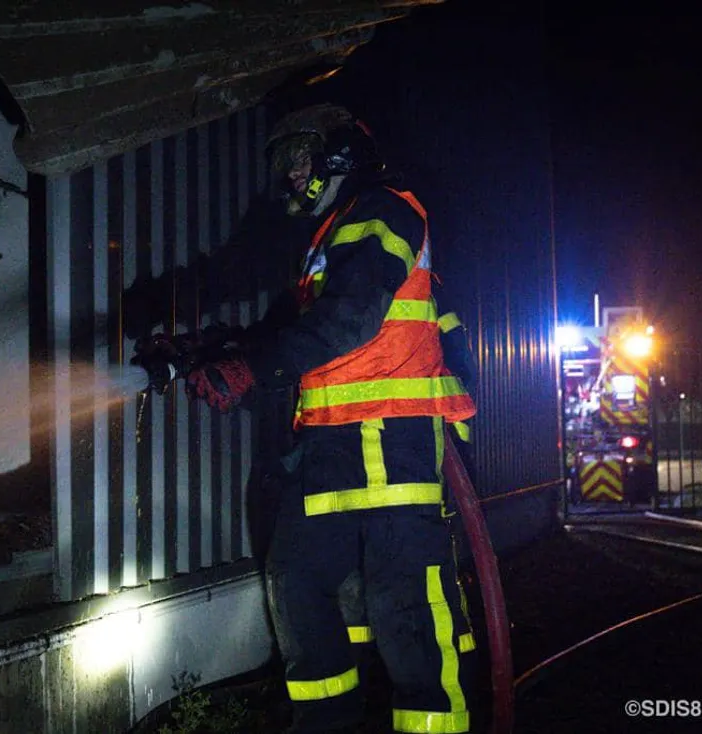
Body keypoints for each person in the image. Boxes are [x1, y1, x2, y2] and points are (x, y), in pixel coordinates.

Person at [184, 103, 480, 734]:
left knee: (405, 612)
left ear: (339, 153)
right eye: (284, 164)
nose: (291, 175)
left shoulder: (383, 210)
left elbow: (349, 319)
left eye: (299, 158)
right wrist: (219, 351)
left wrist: (251, 367)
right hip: (329, 448)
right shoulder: (330, 237)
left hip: (390, 442)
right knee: (295, 583)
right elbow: (302, 333)